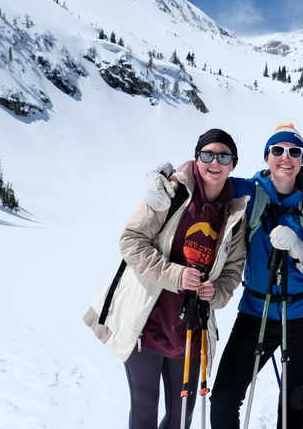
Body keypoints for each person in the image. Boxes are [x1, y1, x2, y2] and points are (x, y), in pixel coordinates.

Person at [84, 129, 249, 429]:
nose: (215, 161)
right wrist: (176, 275)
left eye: (223, 156)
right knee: (145, 412)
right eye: (208, 154)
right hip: (147, 324)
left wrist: (218, 293)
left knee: (180, 418)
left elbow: (233, 270)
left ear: (233, 164)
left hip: (192, 330)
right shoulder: (171, 191)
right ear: (197, 157)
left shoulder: (235, 214)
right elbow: (131, 240)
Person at [208, 123, 303, 429]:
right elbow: (209, 179)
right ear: (267, 157)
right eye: (278, 150)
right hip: (257, 311)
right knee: (224, 397)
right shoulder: (248, 192)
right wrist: (177, 178)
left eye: (294, 152)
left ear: (302, 159)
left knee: (293, 406)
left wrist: (301, 251)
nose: (286, 157)